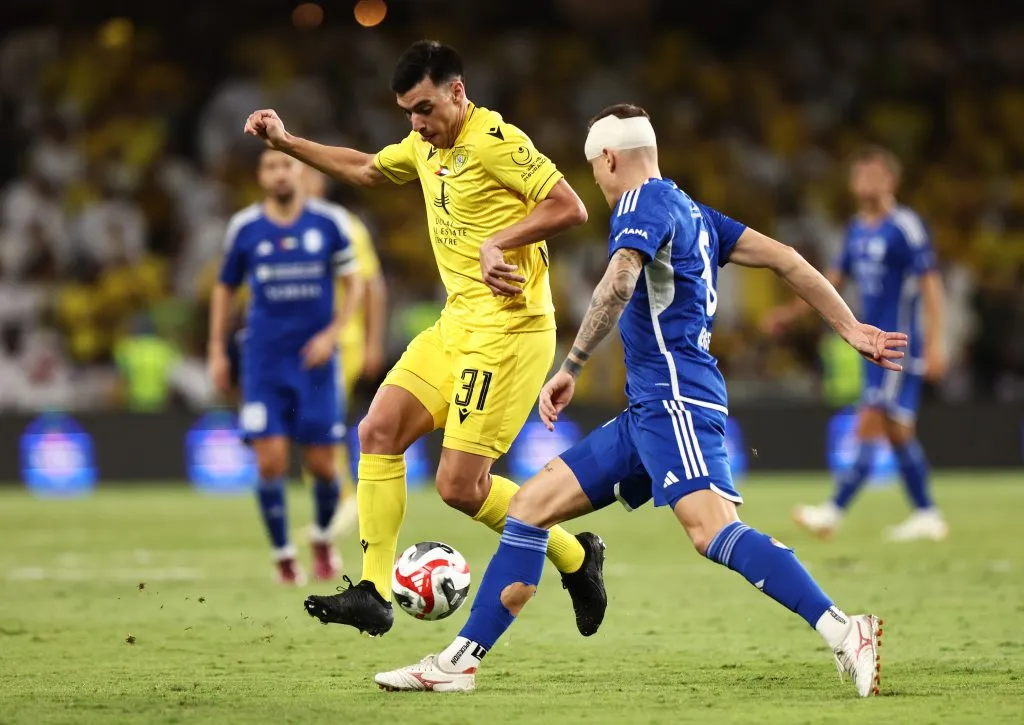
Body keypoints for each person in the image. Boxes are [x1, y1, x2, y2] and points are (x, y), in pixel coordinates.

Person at [373, 105, 904, 697]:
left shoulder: (639, 203)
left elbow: (620, 280)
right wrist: (850, 325)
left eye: (595, 170)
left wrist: (571, 364)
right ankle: (459, 662)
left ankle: (844, 629)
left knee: (713, 533)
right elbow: (786, 259)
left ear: (607, 159)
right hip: (648, 408)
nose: (597, 184)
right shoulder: (695, 212)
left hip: (676, 400)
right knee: (527, 509)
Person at [243, 40, 606, 637]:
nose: (417, 123)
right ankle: (373, 591)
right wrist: (287, 143)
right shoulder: (422, 143)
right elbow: (365, 168)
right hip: (457, 322)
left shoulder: (496, 141)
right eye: (408, 112)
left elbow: (570, 207)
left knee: (460, 488)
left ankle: (575, 555)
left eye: (425, 108)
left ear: (457, 93)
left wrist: (499, 243)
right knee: (377, 431)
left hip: (510, 332)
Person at [766, 145, 948, 542]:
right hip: (870, 345)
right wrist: (790, 313)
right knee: (898, 432)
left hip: (899, 344)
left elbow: (931, 284)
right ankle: (927, 513)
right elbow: (829, 282)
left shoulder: (905, 226)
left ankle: (832, 512)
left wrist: (936, 343)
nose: (867, 181)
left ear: (891, 181)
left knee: (872, 419)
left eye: (876, 174)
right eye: (861, 174)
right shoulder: (855, 230)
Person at [208, 149, 363, 585]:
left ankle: (321, 539)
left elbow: (355, 285)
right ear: (261, 176)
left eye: (287, 165)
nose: (280, 173)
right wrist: (217, 350)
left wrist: (332, 334)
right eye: (271, 167)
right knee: (271, 461)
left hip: (315, 361)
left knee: (322, 465)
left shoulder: (329, 223)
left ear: (301, 172)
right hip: (264, 361)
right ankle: (283, 555)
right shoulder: (245, 227)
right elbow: (224, 290)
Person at [299, 167, 389, 538]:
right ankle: (330, 502)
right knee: (306, 423)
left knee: (320, 420)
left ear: (318, 182)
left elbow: (372, 286)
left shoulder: (343, 225)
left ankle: (343, 500)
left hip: (341, 341)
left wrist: (372, 343)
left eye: (301, 173)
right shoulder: (287, 227)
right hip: (302, 343)